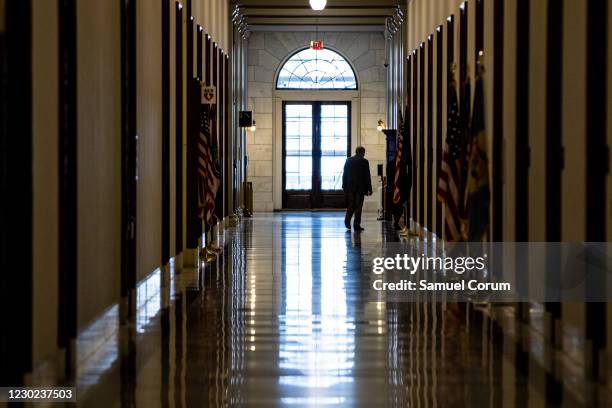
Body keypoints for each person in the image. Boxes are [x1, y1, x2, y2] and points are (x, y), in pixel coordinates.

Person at [342, 146, 372, 231]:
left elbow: (345, 174)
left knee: (351, 205)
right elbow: (367, 176)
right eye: (364, 152)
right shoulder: (364, 161)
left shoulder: (348, 160)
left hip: (350, 188)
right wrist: (370, 188)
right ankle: (356, 225)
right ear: (362, 152)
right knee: (358, 207)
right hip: (360, 188)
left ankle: (347, 222)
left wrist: (344, 186)